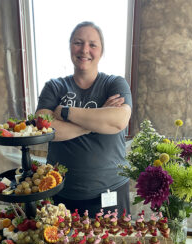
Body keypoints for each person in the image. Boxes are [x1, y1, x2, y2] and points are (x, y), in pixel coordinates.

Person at [36, 21, 132, 218]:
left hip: (110, 192)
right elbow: (44, 128)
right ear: (70, 46)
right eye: (78, 42)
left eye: (92, 44)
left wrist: (64, 112)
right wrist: (97, 122)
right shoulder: (54, 87)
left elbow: (117, 122)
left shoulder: (115, 84)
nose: (84, 50)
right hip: (60, 191)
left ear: (101, 50)